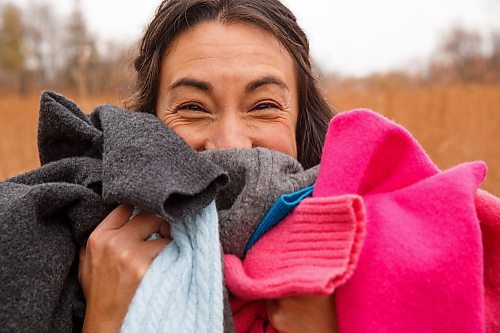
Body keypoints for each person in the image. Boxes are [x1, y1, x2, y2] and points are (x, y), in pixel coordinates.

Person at [78, 0, 340, 332]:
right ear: (147, 125)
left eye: (263, 105)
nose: (230, 142)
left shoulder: (365, 257)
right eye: (193, 107)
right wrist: (102, 320)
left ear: (302, 125)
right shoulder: (89, 259)